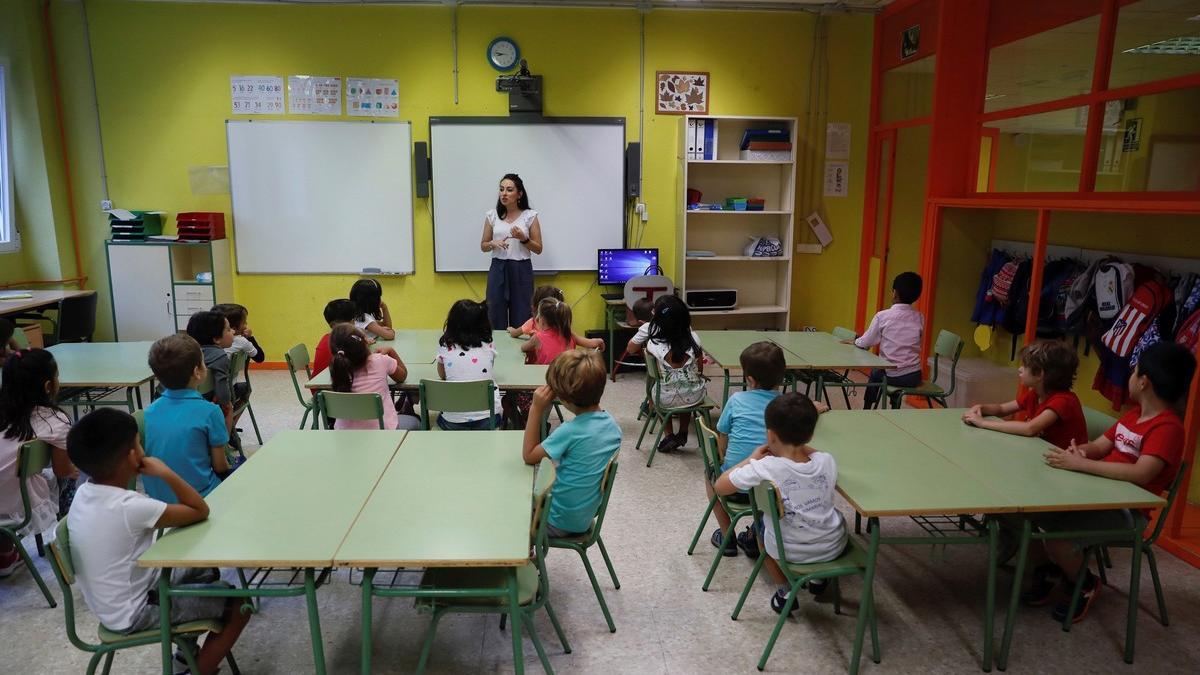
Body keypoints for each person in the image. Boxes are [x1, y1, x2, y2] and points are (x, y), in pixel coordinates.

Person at [66, 408, 250, 675]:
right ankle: (198, 671)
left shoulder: (85, 493)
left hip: (115, 599)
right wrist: (165, 472)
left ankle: (184, 660)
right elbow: (199, 510)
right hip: (135, 611)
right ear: (132, 455)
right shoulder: (130, 506)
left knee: (205, 570)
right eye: (139, 444)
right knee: (239, 606)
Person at [1031, 341, 1195, 624]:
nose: (1129, 376)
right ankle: (1053, 571)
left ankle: (1084, 583)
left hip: (1127, 511)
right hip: (1099, 494)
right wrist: (1081, 451)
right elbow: (1100, 445)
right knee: (1032, 515)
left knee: (1057, 538)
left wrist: (1084, 465)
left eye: (1134, 371)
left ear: (1144, 382)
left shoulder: (1168, 428)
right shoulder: (1133, 416)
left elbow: (1142, 474)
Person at [715, 393, 848, 614]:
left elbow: (720, 486)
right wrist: (799, 444)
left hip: (788, 551)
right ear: (811, 434)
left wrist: (751, 459)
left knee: (760, 531)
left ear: (770, 434)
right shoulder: (826, 461)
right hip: (833, 546)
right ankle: (817, 580)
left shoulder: (765, 467)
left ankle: (784, 591)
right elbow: (817, 453)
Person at [521, 350, 621, 537]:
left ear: (564, 399)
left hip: (556, 520)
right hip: (582, 518)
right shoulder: (613, 427)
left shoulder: (570, 431)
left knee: (509, 507)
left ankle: (527, 553)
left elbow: (529, 455)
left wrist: (536, 409)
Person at [0, 349, 78, 578]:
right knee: (69, 476)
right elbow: (63, 470)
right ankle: (69, 536)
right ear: (47, 386)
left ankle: (4, 552)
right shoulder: (54, 421)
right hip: (13, 506)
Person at [709, 341, 785, 558]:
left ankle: (727, 536)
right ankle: (755, 535)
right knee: (772, 481)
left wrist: (724, 459)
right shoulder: (785, 405)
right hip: (772, 493)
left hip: (735, 487)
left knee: (710, 474)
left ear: (749, 379)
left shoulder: (736, 400)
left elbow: (722, 435)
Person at [142, 334, 230, 502]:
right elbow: (220, 466)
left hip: (157, 497)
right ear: (197, 372)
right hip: (200, 496)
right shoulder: (210, 411)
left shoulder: (149, 412)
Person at [962, 341, 1087, 449]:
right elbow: (1002, 409)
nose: (1020, 369)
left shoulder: (1063, 401)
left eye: (1025, 366)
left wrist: (983, 423)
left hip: (1066, 464)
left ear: (1039, 374)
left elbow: (1030, 428)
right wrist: (981, 408)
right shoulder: (1036, 394)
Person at [626, 295, 706, 453]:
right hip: (695, 397)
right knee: (686, 388)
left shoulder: (652, 344)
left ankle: (668, 434)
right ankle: (683, 431)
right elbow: (700, 370)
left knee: (657, 392)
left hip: (664, 399)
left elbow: (650, 369)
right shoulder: (695, 339)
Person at [846, 271, 924, 409]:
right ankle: (895, 406)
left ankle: (867, 407)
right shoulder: (919, 317)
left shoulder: (883, 316)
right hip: (914, 376)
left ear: (894, 293)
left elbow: (867, 342)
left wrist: (856, 342)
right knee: (887, 371)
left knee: (876, 372)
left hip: (893, 375)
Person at [481, 173, 544, 330]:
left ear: (519, 194)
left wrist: (524, 238)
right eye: (501, 189)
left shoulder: (530, 216)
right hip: (498, 268)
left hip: (521, 269)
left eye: (509, 190)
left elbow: (538, 249)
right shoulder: (492, 215)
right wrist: (492, 243)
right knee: (494, 313)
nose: (504, 193)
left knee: (522, 316)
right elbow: (483, 245)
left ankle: (521, 352)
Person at [327, 324, 419, 430]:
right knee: (415, 421)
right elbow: (402, 376)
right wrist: (391, 351)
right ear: (365, 343)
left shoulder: (337, 370)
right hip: (383, 434)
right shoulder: (380, 360)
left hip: (346, 437)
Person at [436, 299, 504, 430]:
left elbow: (442, 375)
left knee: (439, 417)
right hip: (488, 420)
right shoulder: (489, 345)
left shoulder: (446, 347)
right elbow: (487, 370)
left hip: (452, 422)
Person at [187, 310, 238, 452]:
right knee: (227, 407)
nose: (233, 331)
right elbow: (222, 393)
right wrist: (226, 403)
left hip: (177, 402)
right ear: (216, 339)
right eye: (228, 329)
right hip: (199, 403)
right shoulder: (219, 355)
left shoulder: (185, 351)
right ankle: (223, 449)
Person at [520, 297, 605, 366]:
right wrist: (600, 342)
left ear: (541, 320)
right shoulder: (569, 334)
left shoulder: (537, 338)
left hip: (548, 381)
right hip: (568, 379)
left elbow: (523, 348)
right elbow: (592, 343)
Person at [312, 299, 359, 377]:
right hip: (328, 387)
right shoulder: (344, 342)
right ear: (352, 321)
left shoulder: (327, 337)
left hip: (321, 385)